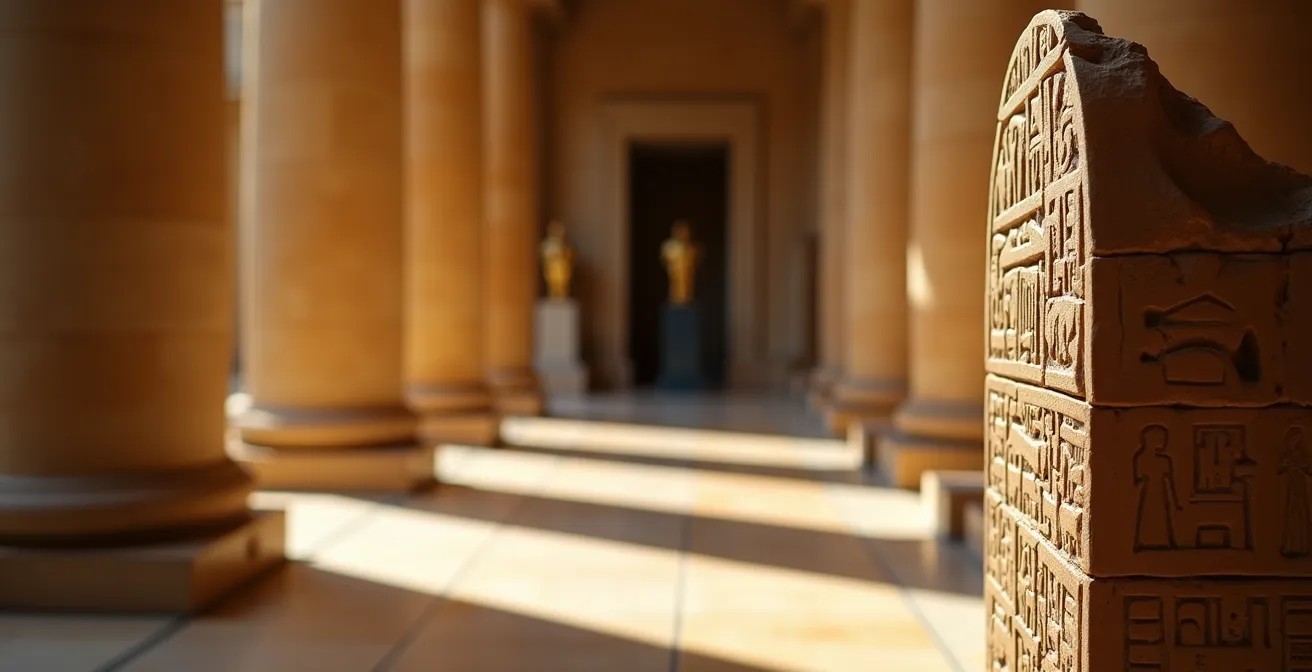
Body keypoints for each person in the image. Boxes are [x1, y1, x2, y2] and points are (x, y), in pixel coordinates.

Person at [661, 220, 699, 305]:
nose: (682, 234)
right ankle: (676, 299)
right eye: (680, 231)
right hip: (675, 274)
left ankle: (685, 298)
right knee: (675, 288)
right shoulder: (669, 246)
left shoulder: (691, 248)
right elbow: (664, 259)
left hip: (686, 275)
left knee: (686, 288)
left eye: (685, 231)